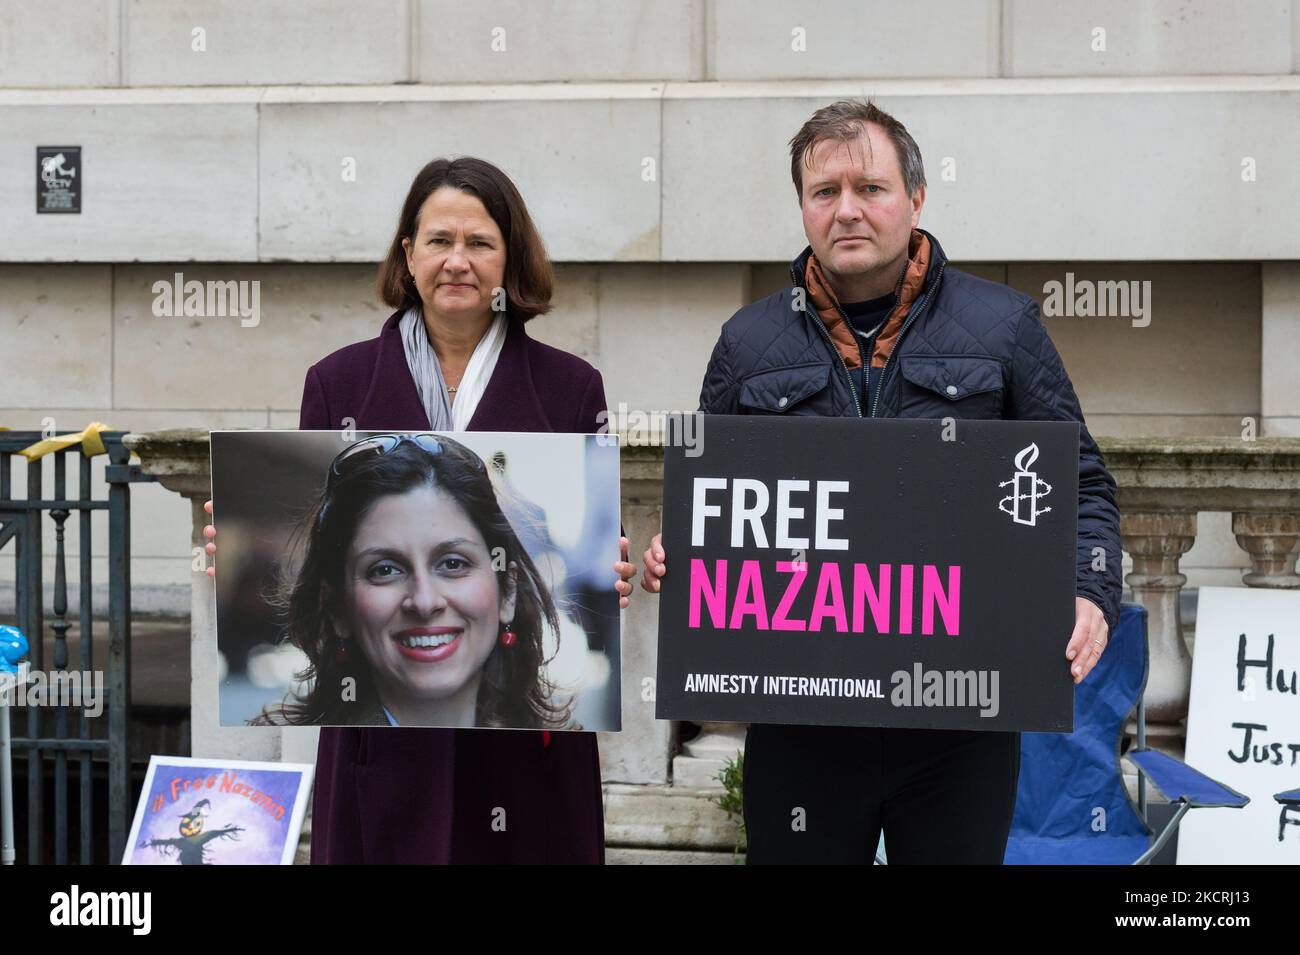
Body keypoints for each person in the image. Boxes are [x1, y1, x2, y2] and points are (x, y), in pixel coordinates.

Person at [640, 100, 1123, 864]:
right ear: (802, 206)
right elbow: (717, 498)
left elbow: (1083, 486)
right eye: (824, 192)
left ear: (917, 198)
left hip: (960, 713)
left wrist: (1090, 590)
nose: (847, 210)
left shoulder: (1003, 327)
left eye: (870, 187)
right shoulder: (749, 342)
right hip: (802, 717)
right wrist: (686, 547)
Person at [206, 156, 637, 863]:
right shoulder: (337, 382)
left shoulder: (569, 386)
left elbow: (595, 543)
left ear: (510, 259)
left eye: (480, 243)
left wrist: (617, 566)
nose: (457, 261)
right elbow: (319, 546)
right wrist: (237, 539)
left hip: (523, 752)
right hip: (382, 745)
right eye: (439, 240)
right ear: (408, 255)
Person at [250, 432, 573, 730]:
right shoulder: (270, 758)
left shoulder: (567, 756)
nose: (424, 601)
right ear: (336, 608)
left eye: (452, 563)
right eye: (385, 570)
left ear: (508, 592)